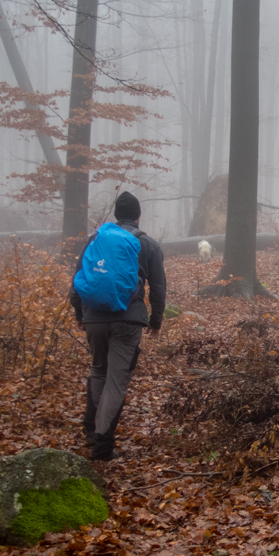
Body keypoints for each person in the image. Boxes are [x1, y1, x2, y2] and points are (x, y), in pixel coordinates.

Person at [69, 192, 167, 461]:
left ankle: (91, 428)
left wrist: (80, 313)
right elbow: (158, 288)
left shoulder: (96, 240)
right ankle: (102, 445)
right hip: (128, 320)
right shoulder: (147, 244)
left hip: (93, 317)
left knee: (99, 370)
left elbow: (79, 278)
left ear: (115, 215)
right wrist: (155, 320)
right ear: (138, 216)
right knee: (116, 380)